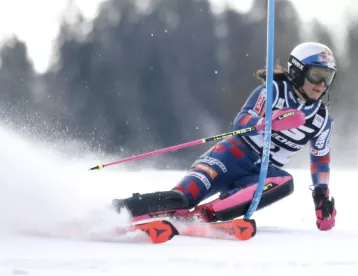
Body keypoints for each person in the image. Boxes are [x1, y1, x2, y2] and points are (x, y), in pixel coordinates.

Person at [114, 42, 337, 231]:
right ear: (298, 70)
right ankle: (117, 212)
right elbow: (242, 119)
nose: (321, 85)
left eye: (328, 78)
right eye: (316, 75)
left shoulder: (322, 120)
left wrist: (321, 198)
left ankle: (202, 217)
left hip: (260, 174)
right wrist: (266, 123)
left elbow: (320, 161)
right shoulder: (273, 91)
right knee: (182, 198)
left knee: (285, 182)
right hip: (229, 157)